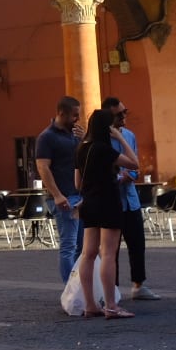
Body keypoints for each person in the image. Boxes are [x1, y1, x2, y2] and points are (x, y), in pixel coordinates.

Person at [75, 107, 138, 319]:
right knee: (108, 254)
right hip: (108, 201)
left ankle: (90, 304)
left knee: (88, 253)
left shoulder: (82, 149)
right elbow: (134, 163)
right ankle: (111, 305)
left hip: (89, 203)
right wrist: (120, 137)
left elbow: (77, 183)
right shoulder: (104, 149)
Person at [103, 96, 157, 300]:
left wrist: (131, 175)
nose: (124, 117)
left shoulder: (129, 135)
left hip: (130, 198)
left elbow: (136, 164)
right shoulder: (100, 139)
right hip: (112, 200)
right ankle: (112, 289)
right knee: (111, 248)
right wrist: (117, 177)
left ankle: (139, 284)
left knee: (137, 243)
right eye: (119, 114)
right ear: (109, 115)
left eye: (125, 112)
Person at [35, 96, 82, 283]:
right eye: (74, 115)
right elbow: (43, 167)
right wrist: (57, 195)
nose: (77, 119)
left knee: (83, 247)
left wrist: (84, 139)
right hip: (64, 197)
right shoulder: (47, 137)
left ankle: (82, 288)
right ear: (62, 113)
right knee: (69, 246)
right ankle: (70, 290)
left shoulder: (74, 135)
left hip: (79, 196)